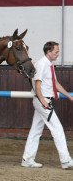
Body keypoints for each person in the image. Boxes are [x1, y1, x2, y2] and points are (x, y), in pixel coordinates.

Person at [21, 41, 73, 169]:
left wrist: (69, 96)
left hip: (43, 100)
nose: (58, 54)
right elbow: (37, 85)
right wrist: (43, 101)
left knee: (36, 130)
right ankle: (66, 161)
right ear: (48, 52)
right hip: (43, 101)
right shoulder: (41, 64)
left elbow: (55, 83)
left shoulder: (49, 64)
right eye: (56, 51)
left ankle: (27, 159)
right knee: (58, 129)